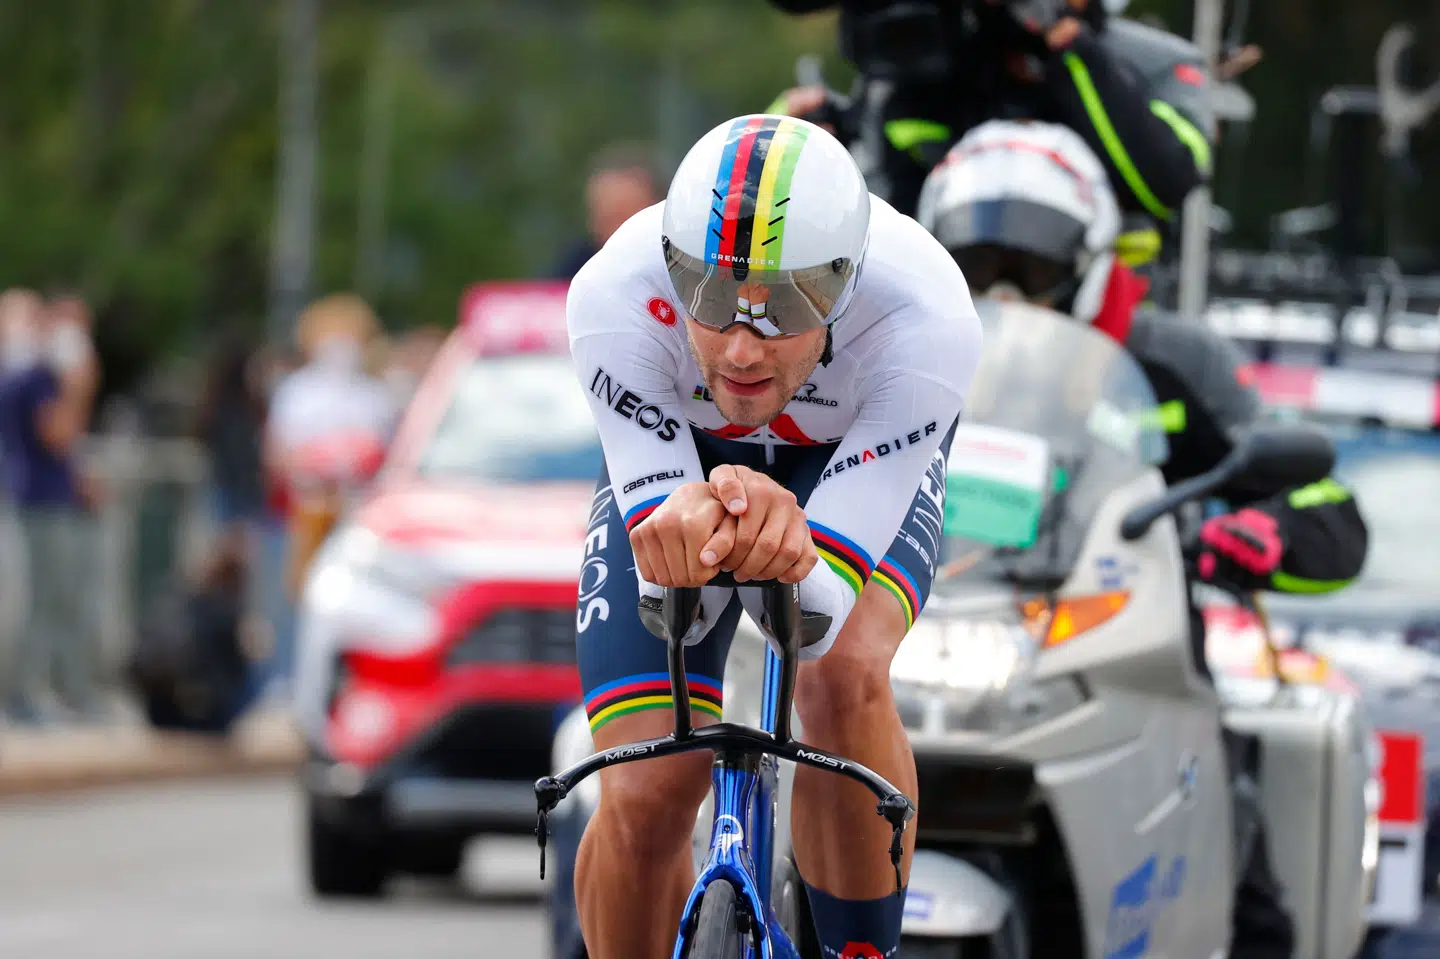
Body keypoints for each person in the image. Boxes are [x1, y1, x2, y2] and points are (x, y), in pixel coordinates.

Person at [915, 119, 1370, 959]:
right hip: (928, 646)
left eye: (1031, 268)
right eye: (978, 268)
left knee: (1242, 887)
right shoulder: (895, 360)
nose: (1005, 293)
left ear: (1089, 264)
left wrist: (1262, 530)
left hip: (1121, 661)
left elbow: (1328, 509)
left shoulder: (1168, 361)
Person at [566, 113, 982, 958]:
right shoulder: (613, 292)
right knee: (647, 783)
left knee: (841, 673)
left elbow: (817, 604)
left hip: (845, 464)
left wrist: (784, 533)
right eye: (713, 298)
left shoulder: (926, 317)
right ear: (674, 271)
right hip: (690, 459)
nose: (744, 347)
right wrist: (709, 511)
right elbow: (664, 576)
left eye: (788, 304)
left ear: (848, 282)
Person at [764, 0, 1206, 247]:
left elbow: (1163, 182)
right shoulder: (914, 82)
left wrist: (1068, 48)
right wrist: (808, 140)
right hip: (955, 335)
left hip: (1108, 347)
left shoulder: (1157, 64)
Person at [0, 288, 102, 723]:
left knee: (59, 599)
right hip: (36, 501)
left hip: (47, 497)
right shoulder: (34, 378)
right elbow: (56, 434)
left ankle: (58, 691)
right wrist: (80, 386)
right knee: (46, 601)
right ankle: (29, 694)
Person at [550, 142, 663, 280]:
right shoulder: (574, 272)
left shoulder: (683, 274)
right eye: (606, 220)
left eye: (624, 219)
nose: (615, 233)